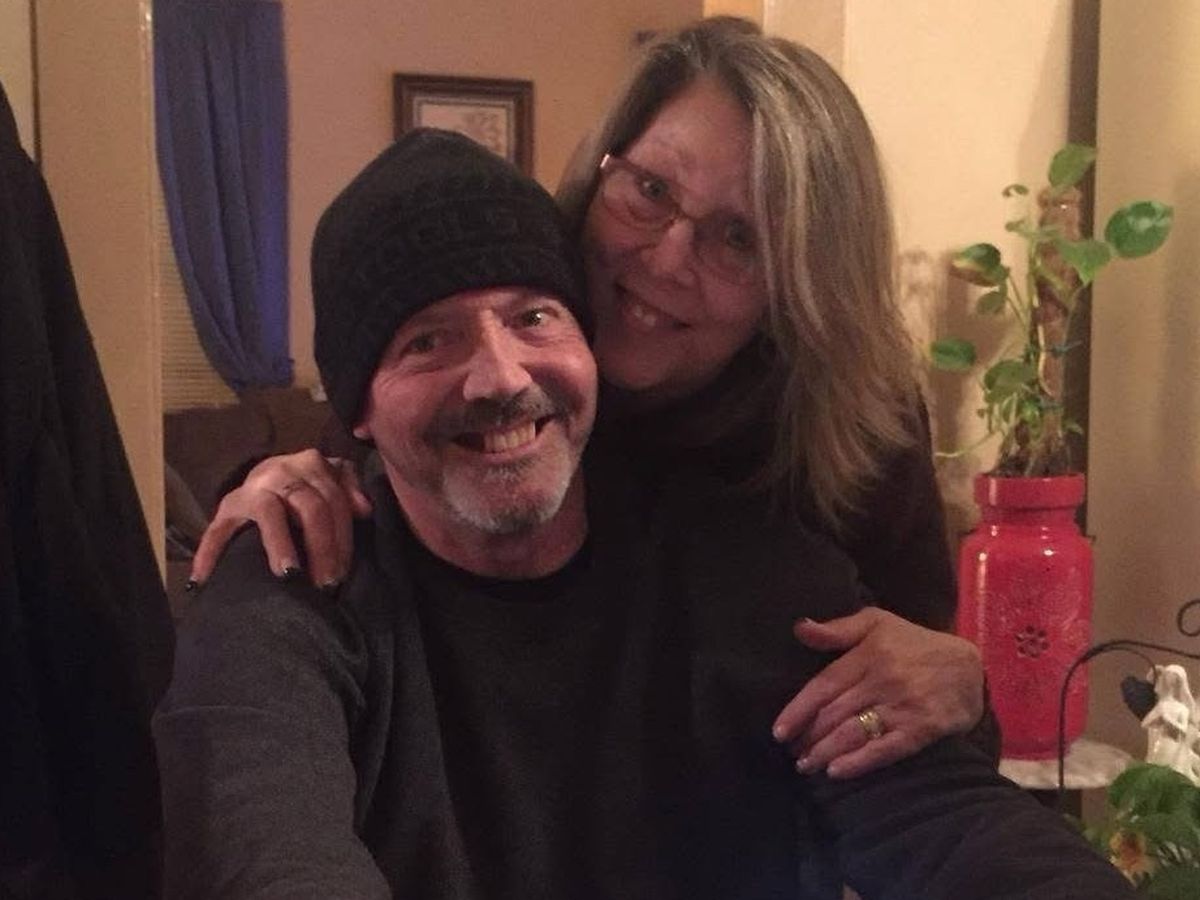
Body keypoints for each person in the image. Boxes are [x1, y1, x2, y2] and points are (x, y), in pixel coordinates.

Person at [155, 127, 1132, 899]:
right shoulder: (292, 584)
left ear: (589, 348)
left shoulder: (747, 572)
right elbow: (260, 844)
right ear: (358, 410)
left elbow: (942, 819)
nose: (500, 376)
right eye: (427, 341)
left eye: (533, 316)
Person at [188, 16, 987, 779]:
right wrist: (280, 484)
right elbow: (374, 450)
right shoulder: (510, 328)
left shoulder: (857, 428)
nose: (667, 259)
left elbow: (918, 709)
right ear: (604, 167)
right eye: (651, 189)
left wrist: (960, 688)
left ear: (802, 282)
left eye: (740, 237)